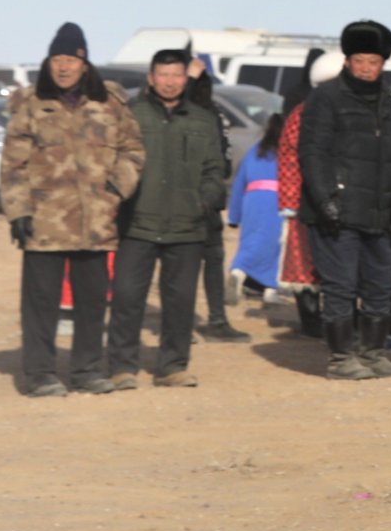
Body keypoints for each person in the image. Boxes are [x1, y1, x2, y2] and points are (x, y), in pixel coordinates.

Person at [0, 22, 146, 397]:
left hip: (95, 222)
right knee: (41, 305)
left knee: (92, 304)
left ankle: (86, 371)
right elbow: (13, 165)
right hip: (44, 221)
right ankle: (40, 375)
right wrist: (18, 212)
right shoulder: (31, 104)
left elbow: (133, 150)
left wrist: (117, 189)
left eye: (70, 59)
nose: (62, 67)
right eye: (56, 59)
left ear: (84, 62)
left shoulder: (109, 102)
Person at [107, 50, 227, 389]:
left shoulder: (203, 119)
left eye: (177, 75)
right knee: (127, 296)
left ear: (185, 78)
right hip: (137, 224)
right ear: (150, 77)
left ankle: (173, 366)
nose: (170, 82)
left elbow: (215, 169)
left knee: (181, 300)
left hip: (187, 226)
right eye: (163, 75)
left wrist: (204, 201)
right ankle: (121, 366)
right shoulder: (131, 115)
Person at [299, 21, 391, 380]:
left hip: (377, 212)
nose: (365, 68)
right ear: (347, 61)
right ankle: (341, 358)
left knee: (380, 285)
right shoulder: (325, 99)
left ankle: (374, 353)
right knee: (341, 286)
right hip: (337, 212)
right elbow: (312, 153)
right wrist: (324, 199)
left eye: (373, 61)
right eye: (359, 60)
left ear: (383, 64)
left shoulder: (387, 101)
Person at [185, 53, 249, 343]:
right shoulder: (212, 113)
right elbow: (225, 163)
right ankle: (213, 321)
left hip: (201, 200)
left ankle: (209, 321)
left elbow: (222, 160)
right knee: (202, 261)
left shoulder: (206, 115)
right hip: (201, 199)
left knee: (197, 262)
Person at [277, 50, 333, 339]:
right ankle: (311, 322)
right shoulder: (303, 113)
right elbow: (288, 158)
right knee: (304, 262)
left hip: (346, 202)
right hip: (306, 201)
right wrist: (288, 201)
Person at [226, 113, 283, 297]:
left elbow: (239, 184)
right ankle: (269, 289)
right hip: (279, 202)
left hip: (252, 201)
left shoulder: (254, 152)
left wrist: (233, 216)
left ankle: (239, 273)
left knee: (250, 242)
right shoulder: (288, 152)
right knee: (275, 246)